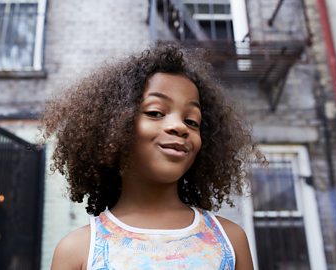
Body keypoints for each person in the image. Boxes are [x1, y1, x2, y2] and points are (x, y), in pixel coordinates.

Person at [41, 44, 262, 269]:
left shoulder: (231, 242)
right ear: (113, 127)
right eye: (155, 113)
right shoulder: (77, 251)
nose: (179, 126)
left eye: (191, 121)